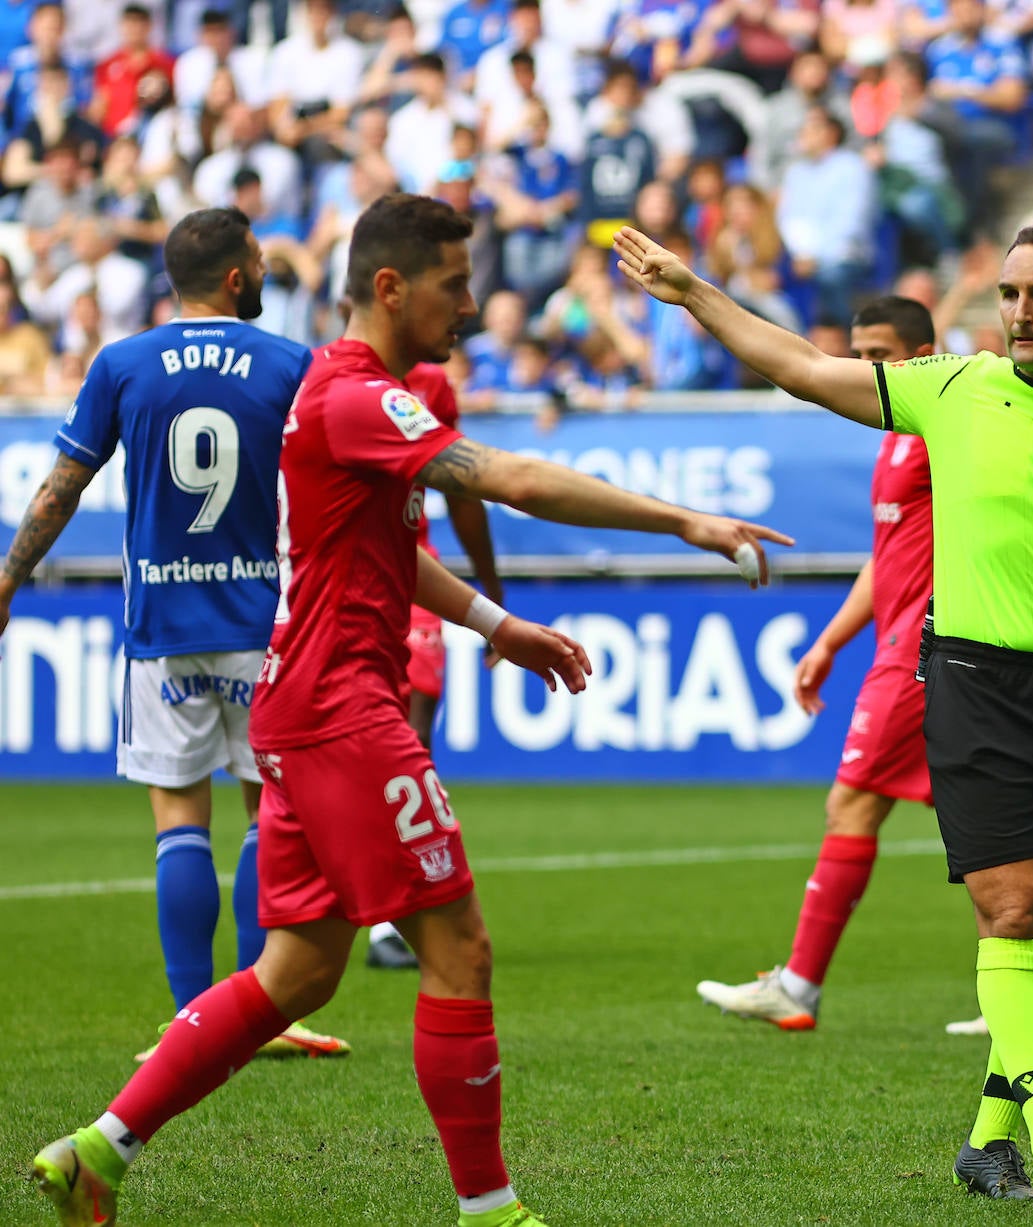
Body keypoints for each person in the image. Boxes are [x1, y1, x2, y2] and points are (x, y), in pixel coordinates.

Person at [25, 191, 792, 1227]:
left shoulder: (350, 391)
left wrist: (491, 622)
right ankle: (493, 1210)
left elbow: (381, 548)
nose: (471, 306)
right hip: (343, 706)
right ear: (391, 286)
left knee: (296, 972)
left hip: (307, 700)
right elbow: (511, 476)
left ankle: (95, 1153)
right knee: (458, 950)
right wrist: (683, 520)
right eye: (454, 284)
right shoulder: (347, 390)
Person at [611, 218, 1033, 1210]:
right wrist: (696, 295)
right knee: (1010, 911)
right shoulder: (954, 388)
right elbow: (806, 370)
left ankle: (986, 1147)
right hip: (976, 683)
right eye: (1010, 294)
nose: (1020, 313)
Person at [0, 207, 350, 1063]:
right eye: (261, 264)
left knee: (176, 821)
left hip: (162, 621)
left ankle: (195, 1020)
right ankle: (260, 1011)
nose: (266, 274)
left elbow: (60, 489)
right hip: (263, 623)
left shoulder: (122, 363)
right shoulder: (291, 363)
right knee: (269, 813)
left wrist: (8, 577)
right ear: (237, 277)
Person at [695, 295, 938, 1030]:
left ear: (923, 355)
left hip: (921, 649)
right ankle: (1032, 987)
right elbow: (887, 557)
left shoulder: (939, 431)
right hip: (902, 641)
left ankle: (798, 986)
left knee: (853, 802)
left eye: (879, 355)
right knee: (987, 821)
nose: (862, 369)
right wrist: (830, 641)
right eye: (855, 353)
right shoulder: (894, 440)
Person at [368, 353, 506, 972]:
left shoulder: (430, 384)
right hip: (346, 583)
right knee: (361, 745)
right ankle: (368, 908)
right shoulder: (326, 377)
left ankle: (396, 916)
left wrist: (490, 590)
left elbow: (461, 491)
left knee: (412, 741)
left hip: (416, 575)